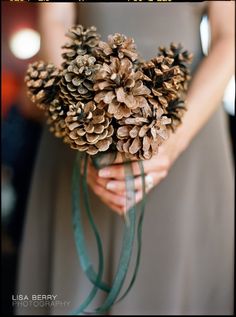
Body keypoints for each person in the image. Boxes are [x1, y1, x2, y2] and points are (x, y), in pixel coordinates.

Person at [16, 2, 234, 315]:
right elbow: (55, 18)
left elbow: (229, 36)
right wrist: (82, 133)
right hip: (83, 113)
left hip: (191, 126)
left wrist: (172, 144)